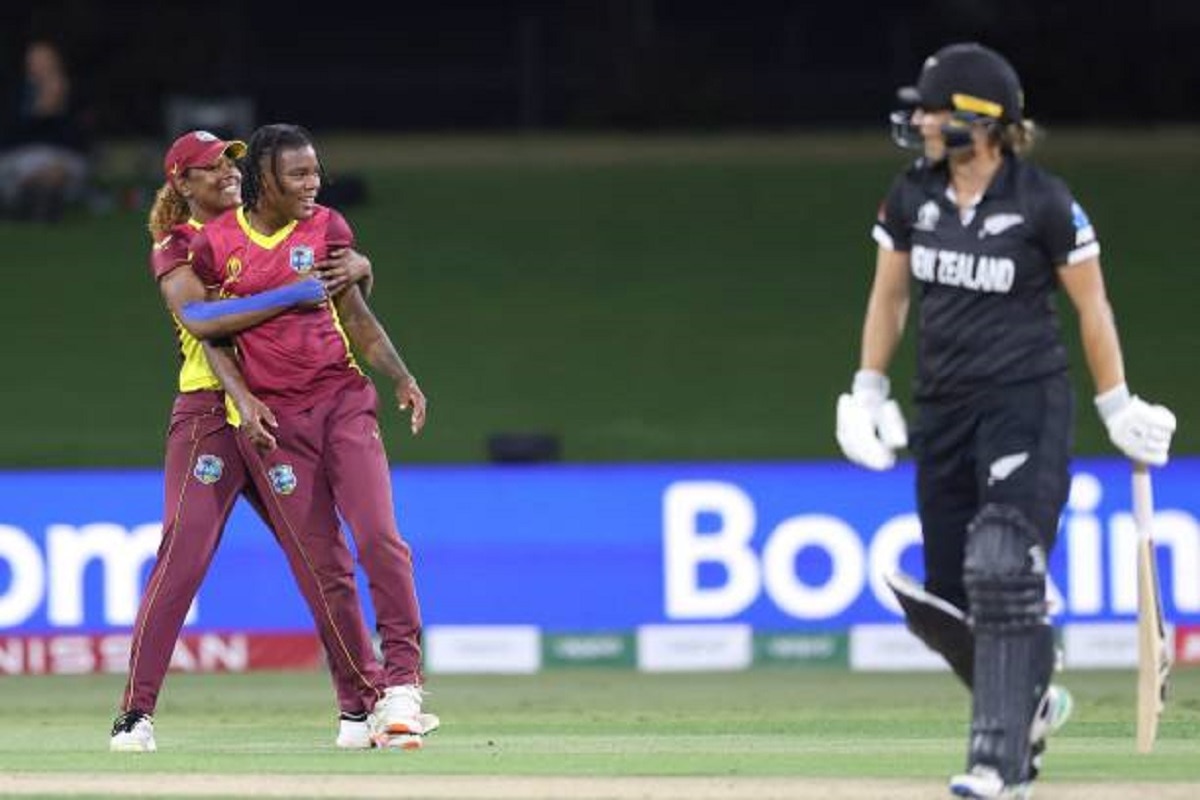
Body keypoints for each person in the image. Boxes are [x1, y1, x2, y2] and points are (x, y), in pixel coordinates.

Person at [835, 43, 1177, 799]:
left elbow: (1092, 305)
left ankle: (1002, 765)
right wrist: (866, 389)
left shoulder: (1045, 201)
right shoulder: (910, 196)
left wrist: (1117, 405)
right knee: (949, 599)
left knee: (1002, 563)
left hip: (1026, 402)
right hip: (944, 409)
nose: (921, 121)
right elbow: (890, 297)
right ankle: (1033, 699)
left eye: (935, 109)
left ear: (981, 123)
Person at [110, 130, 397, 753]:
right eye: (211, 168)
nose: (228, 174)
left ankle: (361, 709)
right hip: (211, 413)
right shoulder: (179, 244)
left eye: (232, 164)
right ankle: (135, 714)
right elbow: (202, 322)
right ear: (183, 183)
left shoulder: (270, 228)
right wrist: (247, 384)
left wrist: (361, 267)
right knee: (183, 556)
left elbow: (336, 301)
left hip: (284, 409)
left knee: (323, 562)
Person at [187, 123, 435, 751]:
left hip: (342, 402)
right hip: (276, 428)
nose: (312, 183)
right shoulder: (217, 245)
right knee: (325, 568)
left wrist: (402, 376)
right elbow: (210, 334)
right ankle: (358, 707)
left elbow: (356, 315)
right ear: (265, 179)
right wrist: (242, 400)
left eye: (315, 172)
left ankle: (403, 681)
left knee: (380, 537)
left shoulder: (327, 228)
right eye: (298, 174)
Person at [0, 40, 90, 221]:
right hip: (21, 155)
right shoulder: (15, 92)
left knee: (55, 173)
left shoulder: (74, 94)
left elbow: (79, 140)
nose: (41, 67)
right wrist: (39, 112)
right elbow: (9, 136)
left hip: (61, 157)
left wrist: (58, 108)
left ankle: (35, 204)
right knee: (28, 172)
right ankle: (33, 201)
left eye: (46, 61)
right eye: (36, 61)